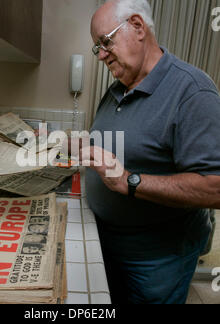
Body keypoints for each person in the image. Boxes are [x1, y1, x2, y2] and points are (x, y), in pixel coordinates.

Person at [83, 0, 220, 304]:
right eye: (98, 48)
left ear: (137, 26)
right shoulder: (118, 86)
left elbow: (215, 187)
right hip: (108, 242)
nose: (101, 55)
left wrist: (128, 181)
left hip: (156, 259)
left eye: (106, 42)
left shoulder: (193, 92)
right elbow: (125, 145)